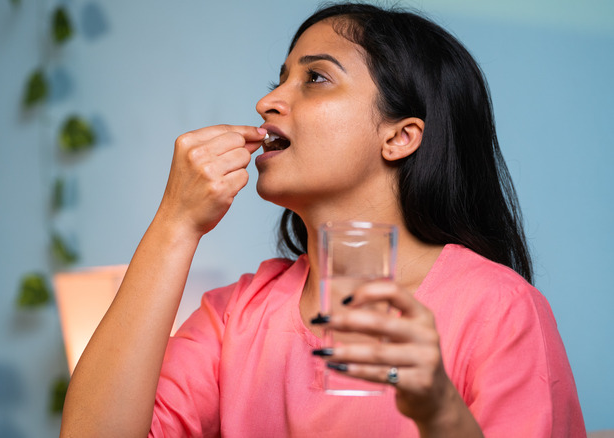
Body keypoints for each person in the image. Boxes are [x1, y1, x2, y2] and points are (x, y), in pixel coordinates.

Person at [60, 3, 585, 437]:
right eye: (279, 79)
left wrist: (439, 411)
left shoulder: (499, 310)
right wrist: (175, 223)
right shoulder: (234, 318)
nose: (267, 101)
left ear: (399, 136)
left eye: (315, 78)